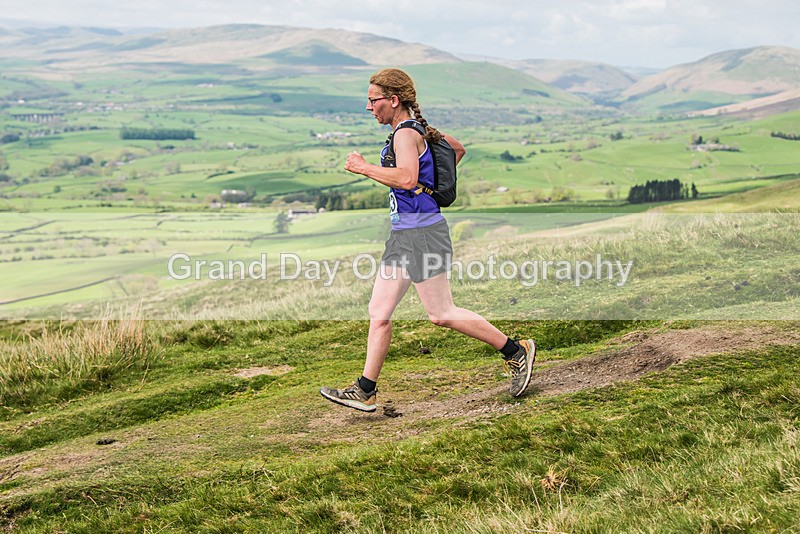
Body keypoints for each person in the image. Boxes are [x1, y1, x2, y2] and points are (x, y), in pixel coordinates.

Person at [319, 68, 535, 412]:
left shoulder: (406, 134)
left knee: (441, 313)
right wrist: (433, 184)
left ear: (393, 100)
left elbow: (405, 178)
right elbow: (457, 149)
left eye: (373, 100)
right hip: (404, 234)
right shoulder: (420, 130)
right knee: (380, 312)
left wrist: (363, 167)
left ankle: (516, 351)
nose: (368, 107)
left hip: (423, 234)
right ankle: (365, 390)